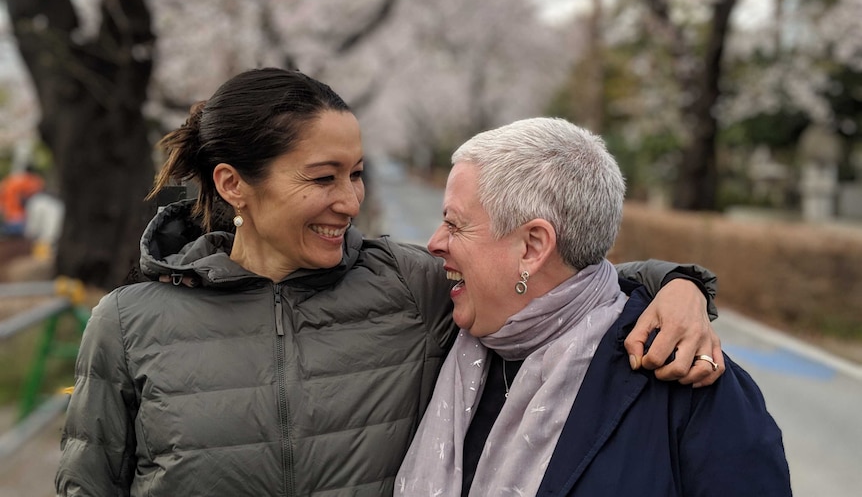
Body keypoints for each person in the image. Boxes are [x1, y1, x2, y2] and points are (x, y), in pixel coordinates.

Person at [55, 68, 722, 496]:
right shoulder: (129, 322)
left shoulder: (409, 285)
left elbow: (555, 279)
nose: (350, 200)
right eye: (323, 177)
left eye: (357, 173)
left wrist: (679, 285)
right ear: (234, 184)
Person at [396, 118, 791, 496]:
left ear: (532, 247)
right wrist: (682, 282)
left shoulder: (689, 382)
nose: (434, 243)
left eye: (455, 224)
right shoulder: (438, 334)